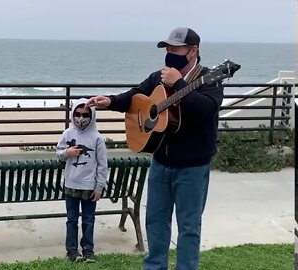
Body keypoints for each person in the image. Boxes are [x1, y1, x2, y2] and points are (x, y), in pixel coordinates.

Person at [86, 27, 224, 270]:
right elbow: (136, 97)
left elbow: (206, 110)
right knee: (155, 221)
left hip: (192, 166)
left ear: (193, 52)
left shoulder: (210, 79)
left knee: (189, 227)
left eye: (176, 49)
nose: (170, 54)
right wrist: (111, 101)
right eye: (168, 49)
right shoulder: (158, 78)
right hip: (161, 162)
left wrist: (179, 83)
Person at [56, 98, 108, 263]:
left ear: (91, 115)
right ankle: (71, 250)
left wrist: (99, 186)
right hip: (71, 184)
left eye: (85, 114)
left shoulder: (97, 138)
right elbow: (58, 153)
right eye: (77, 114)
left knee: (88, 219)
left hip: (89, 186)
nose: (81, 118)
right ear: (73, 115)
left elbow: (102, 164)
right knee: (71, 219)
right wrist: (66, 153)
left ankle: (88, 249)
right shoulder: (67, 134)